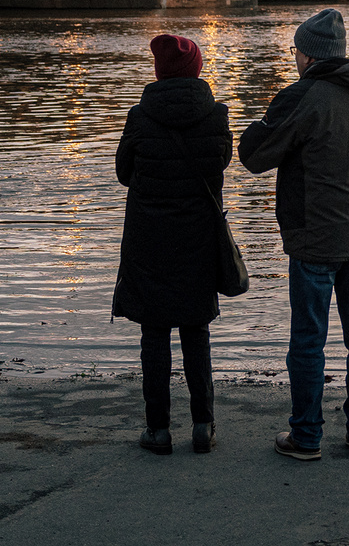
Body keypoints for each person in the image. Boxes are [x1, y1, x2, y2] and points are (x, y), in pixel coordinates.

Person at [239, 8, 349, 461]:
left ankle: (306, 437)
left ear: (307, 55)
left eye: (296, 51)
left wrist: (257, 122)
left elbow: (255, 155)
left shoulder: (302, 96)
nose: (294, 59)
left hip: (315, 236)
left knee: (309, 339)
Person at [112, 34, 232, 456]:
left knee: (154, 332)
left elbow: (124, 173)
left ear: (159, 72)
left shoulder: (139, 117)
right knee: (196, 330)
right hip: (198, 238)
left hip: (151, 240)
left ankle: (158, 429)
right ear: (197, 69)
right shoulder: (217, 117)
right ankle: (203, 425)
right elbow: (220, 165)